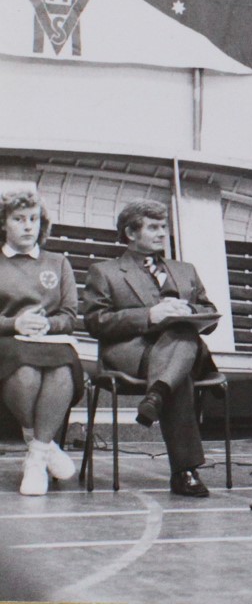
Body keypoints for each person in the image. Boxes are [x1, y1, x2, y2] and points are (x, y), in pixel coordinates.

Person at [82, 200, 219, 497]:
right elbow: (95, 322)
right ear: (130, 233)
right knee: (181, 364)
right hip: (130, 351)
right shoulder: (104, 272)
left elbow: (209, 312)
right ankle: (184, 472)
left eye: (164, 227)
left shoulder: (185, 270)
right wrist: (149, 315)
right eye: (154, 227)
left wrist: (188, 309)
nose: (162, 234)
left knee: (182, 339)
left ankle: (157, 394)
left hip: (177, 347)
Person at [0, 190, 82, 496]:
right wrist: (14, 323)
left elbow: (70, 315)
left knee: (61, 369)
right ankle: (44, 445)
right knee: (26, 373)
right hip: (6, 342)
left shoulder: (58, 262)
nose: (27, 226)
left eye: (33, 219)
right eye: (19, 219)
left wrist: (49, 323)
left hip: (51, 341)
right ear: (4, 223)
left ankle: (36, 455)